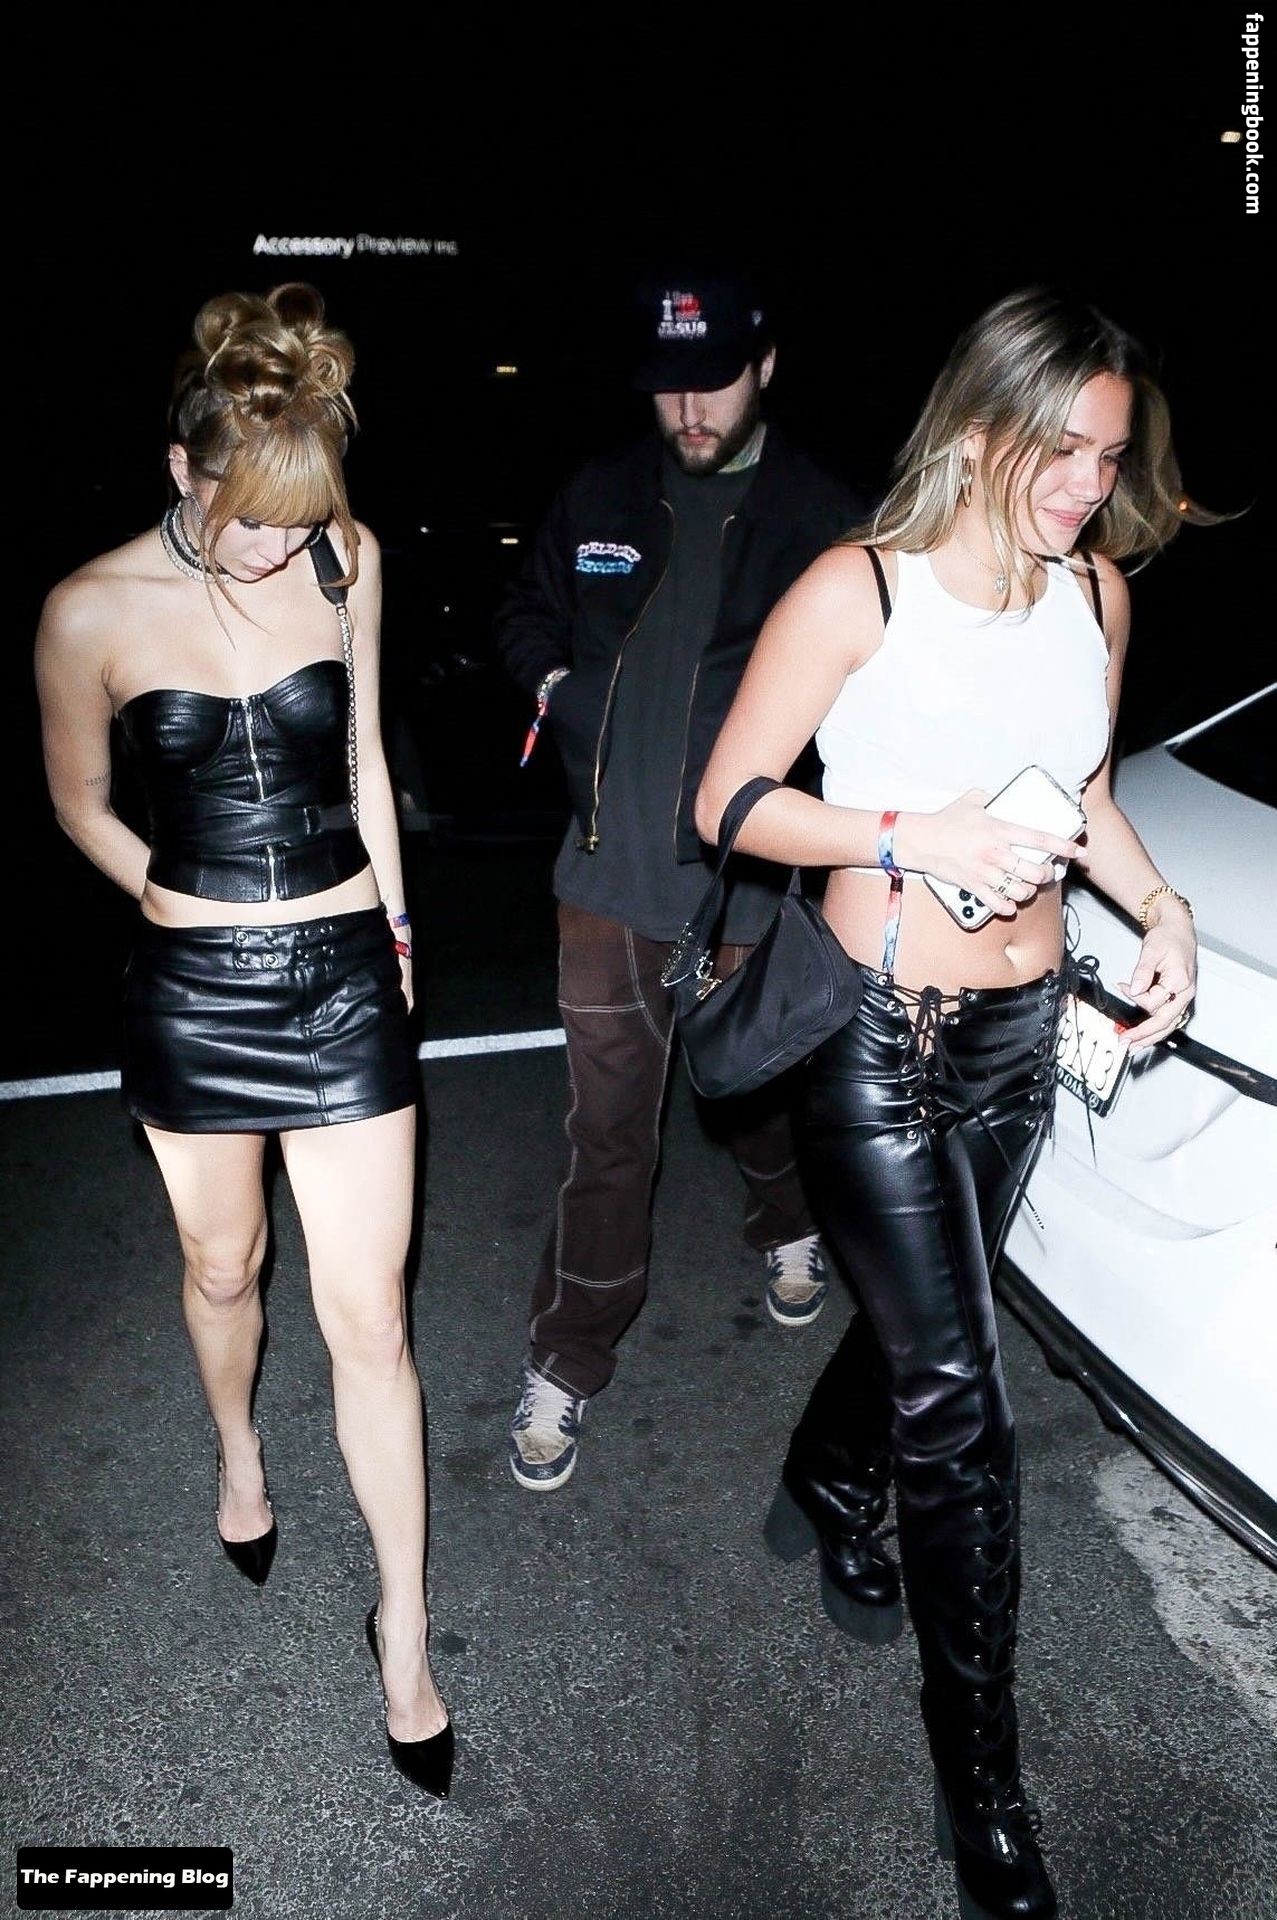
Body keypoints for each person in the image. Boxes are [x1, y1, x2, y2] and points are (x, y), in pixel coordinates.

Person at [696, 286, 1210, 1920]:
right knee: (961, 1409)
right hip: (881, 1036)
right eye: (1060, 450)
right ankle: (979, 1789)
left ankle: (824, 1475)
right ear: (980, 427)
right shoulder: (860, 589)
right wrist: (906, 834)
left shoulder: (1096, 594)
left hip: (1018, 1038)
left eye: (1108, 456)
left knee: (940, 1318)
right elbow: (731, 801)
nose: (1085, 485)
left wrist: (1162, 912)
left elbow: (1088, 792)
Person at [33, 283, 453, 1799]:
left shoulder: (350, 560)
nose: (283, 548)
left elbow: (363, 759)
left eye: (303, 518)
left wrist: (395, 937)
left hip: (341, 972)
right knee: (225, 1268)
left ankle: (403, 1628)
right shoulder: (87, 610)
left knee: (370, 1318)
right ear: (182, 468)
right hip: (193, 986)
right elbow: (80, 800)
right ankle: (239, 1452)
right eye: (252, 521)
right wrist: (163, 892)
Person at [495, 266, 868, 1490]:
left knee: (752, 1097)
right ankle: (567, 1358)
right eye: (667, 387)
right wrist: (557, 687)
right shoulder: (599, 491)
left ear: (765, 368)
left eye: (712, 383)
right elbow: (524, 612)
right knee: (605, 1136)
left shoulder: (823, 516)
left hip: (745, 887)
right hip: (603, 877)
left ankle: (786, 1220)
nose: (689, 410)